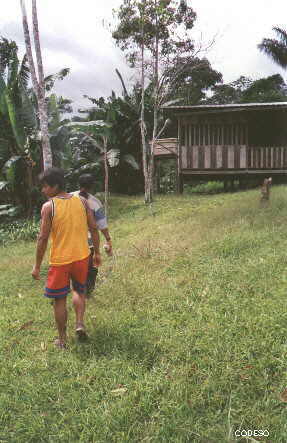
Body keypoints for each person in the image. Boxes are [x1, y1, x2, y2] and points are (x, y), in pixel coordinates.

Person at [32, 167, 101, 349]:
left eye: (45, 187)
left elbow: (43, 238)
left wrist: (37, 266)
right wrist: (98, 252)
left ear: (55, 186)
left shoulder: (49, 206)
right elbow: (94, 228)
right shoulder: (82, 201)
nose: (43, 190)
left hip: (61, 261)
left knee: (59, 299)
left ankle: (62, 340)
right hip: (82, 256)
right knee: (79, 290)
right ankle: (79, 324)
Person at [73, 174, 112, 296]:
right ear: (92, 187)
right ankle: (87, 291)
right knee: (91, 267)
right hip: (88, 243)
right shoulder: (95, 202)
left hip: (70, 242)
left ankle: (76, 290)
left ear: (78, 184)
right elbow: (102, 225)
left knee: (75, 268)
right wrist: (108, 239)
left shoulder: (69, 197)